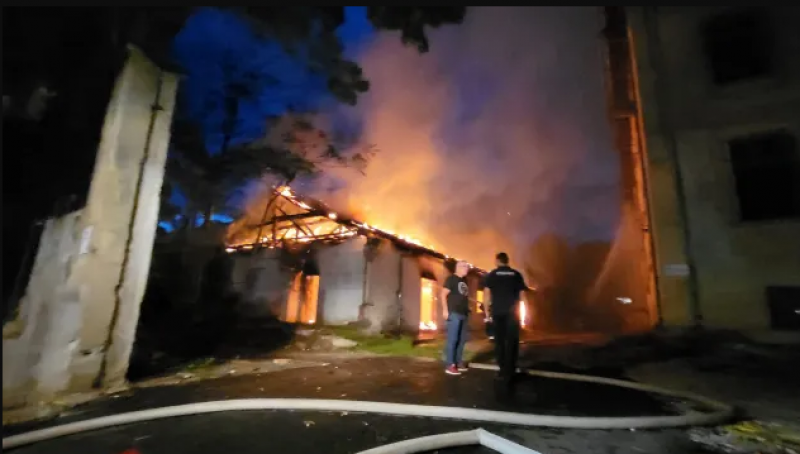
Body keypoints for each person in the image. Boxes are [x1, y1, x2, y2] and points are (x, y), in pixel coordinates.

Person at [482, 252, 527, 383]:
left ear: (497, 261)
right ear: (507, 261)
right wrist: (525, 314)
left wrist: (486, 312)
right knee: (512, 342)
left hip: (498, 313)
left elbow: (486, 295)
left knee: (499, 342)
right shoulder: (516, 274)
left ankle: (502, 370)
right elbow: (523, 295)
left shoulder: (492, 275)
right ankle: (510, 370)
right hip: (513, 313)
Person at [442, 260, 471, 375]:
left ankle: (458, 362)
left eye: (467, 266)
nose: (467, 268)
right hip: (453, 313)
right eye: (465, 266)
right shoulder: (451, 279)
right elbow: (443, 294)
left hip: (464, 314)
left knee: (462, 339)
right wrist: (445, 310)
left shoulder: (464, 281)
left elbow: (462, 296)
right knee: (453, 339)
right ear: (458, 268)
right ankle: (450, 365)